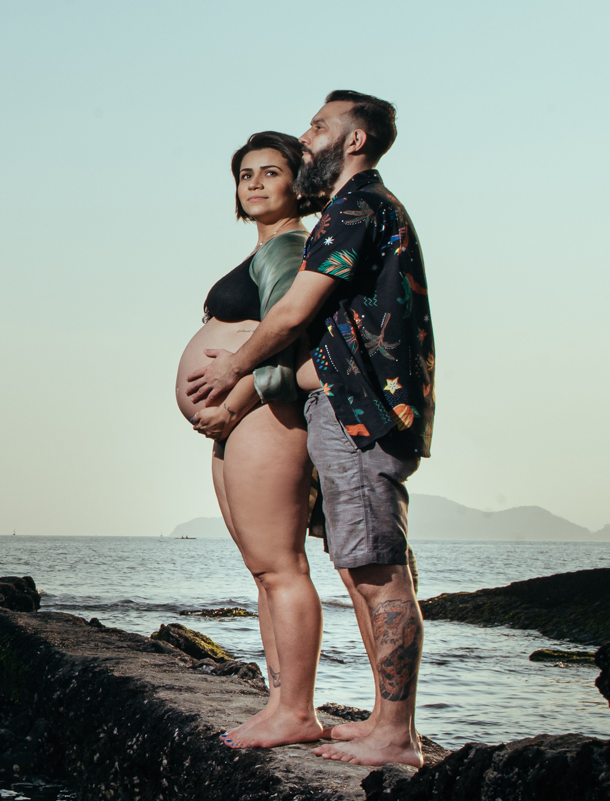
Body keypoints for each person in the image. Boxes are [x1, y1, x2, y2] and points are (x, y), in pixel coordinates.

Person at [185, 91, 435, 768]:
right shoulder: (353, 211)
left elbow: (294, 315)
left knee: (375, 573)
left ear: (354, 140)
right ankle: (377, 720)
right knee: (360, 568)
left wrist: (233, 373)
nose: (307, 136)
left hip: (361, 408)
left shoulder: (354, 209)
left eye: (319, 126)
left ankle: (390, 732)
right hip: (347, 407)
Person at [174, 131, 326, 748]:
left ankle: (297, 711)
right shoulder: (267, 248)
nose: (255, 183)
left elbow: (293, 337)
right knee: (263, 571)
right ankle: (279, 704)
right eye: (245, 175)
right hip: (237, 424)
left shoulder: (291, 246)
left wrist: (234, 402)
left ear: (299, 184)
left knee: (280, 567)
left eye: (271, 171)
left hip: (262, 416)